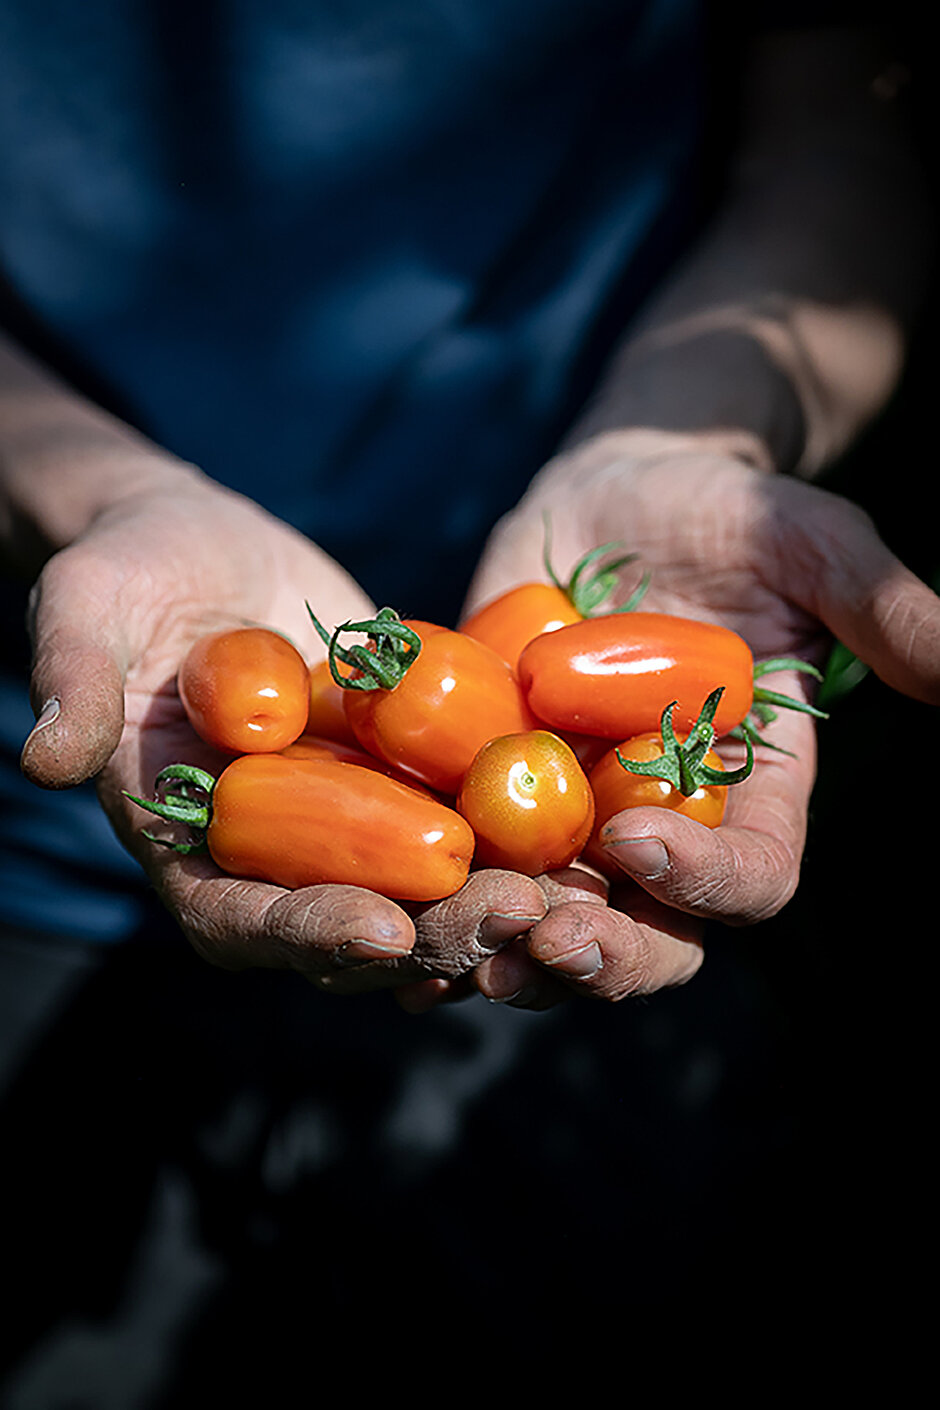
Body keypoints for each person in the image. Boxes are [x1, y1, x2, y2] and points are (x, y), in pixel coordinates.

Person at [1, 1, 937, 1389]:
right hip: (41, 885)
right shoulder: (394, 720)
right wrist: (83, 490)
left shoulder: (524, 706)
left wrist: (713, 427)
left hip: (556, 959)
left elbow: (842, 104)